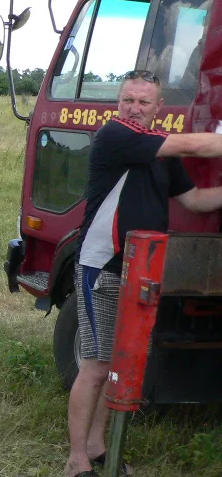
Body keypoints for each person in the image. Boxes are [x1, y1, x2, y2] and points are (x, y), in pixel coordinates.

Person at [65, 70, 222, 477]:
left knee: (121, 362)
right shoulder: (115, 136)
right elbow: (194, 144)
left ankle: (99, 446)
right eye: (128, 100)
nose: (134, 109)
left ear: (157, 108)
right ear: (119, 103)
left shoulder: (160, 156)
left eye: (144, 102)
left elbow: (197, 200)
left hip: (142, 273)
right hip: (102, 268)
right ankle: (76, 459)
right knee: (97, 366)